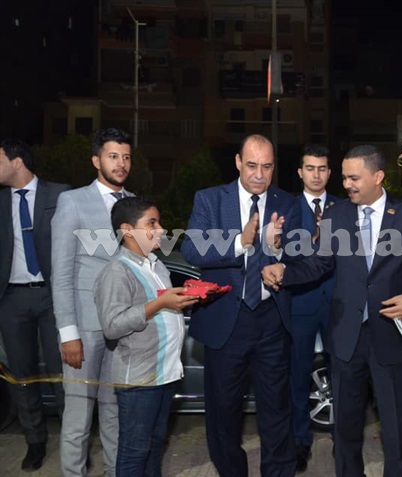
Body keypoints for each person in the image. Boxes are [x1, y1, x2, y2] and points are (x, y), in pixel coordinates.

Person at [262, 144, 402, 477]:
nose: (346, 184)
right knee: (345, 430)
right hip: (346, 338)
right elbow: (318, 264)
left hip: (391, 335)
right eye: (344, 178)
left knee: (397, 428)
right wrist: (284, 270)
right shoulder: (336, 215)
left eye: (354, 178)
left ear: (378, 176)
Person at [180, 134, 300, 477]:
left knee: (277, 410)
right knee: (223, 412)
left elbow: (301, 257)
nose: (259, 174)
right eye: (251, 165)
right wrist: (239, 242)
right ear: (237, 162)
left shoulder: (287, 203)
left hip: (272, 320)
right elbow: (191, 250)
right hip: (226, 322)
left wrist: (279, 250)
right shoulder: (210, 199)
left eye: (267, 166)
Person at [93, 197, 199, 477]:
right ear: (127, 230)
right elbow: (112, 326)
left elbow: (164, 309)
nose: (161, 229)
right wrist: (160, 304)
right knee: (135, 451)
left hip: (165, 374)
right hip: (139, 380)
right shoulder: (117, 271)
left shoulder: (157, 266)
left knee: (154, 445)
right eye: (151, 223)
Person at [52, 127, 134, 477]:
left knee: (114, 412)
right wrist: (68, 333)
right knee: (78, 417)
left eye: (126, 157)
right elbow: (61, 273)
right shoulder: (72, 202)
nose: (121, 163)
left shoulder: (134, 203)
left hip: (123, 327)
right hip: (84, 328)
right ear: (96, 160)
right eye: (113, 156)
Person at [0, 139, 69, 471]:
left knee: (63, 373)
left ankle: (72, 440)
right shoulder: (0, 202)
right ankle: (35, 441)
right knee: (22, 374)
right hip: (12, 299)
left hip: (54, 296)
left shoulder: (61, 195)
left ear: (16, 162)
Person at [289, 145, 338, 472]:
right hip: (300, 303)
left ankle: (342, 439)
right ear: (300, 172)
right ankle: (299, 442)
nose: (316, 175)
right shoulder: (288, 208)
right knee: (297, 376)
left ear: (329, 173)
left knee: (343, 376)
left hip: (337, 304)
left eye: (322, 168)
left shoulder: (344, 208)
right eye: (310, 168)